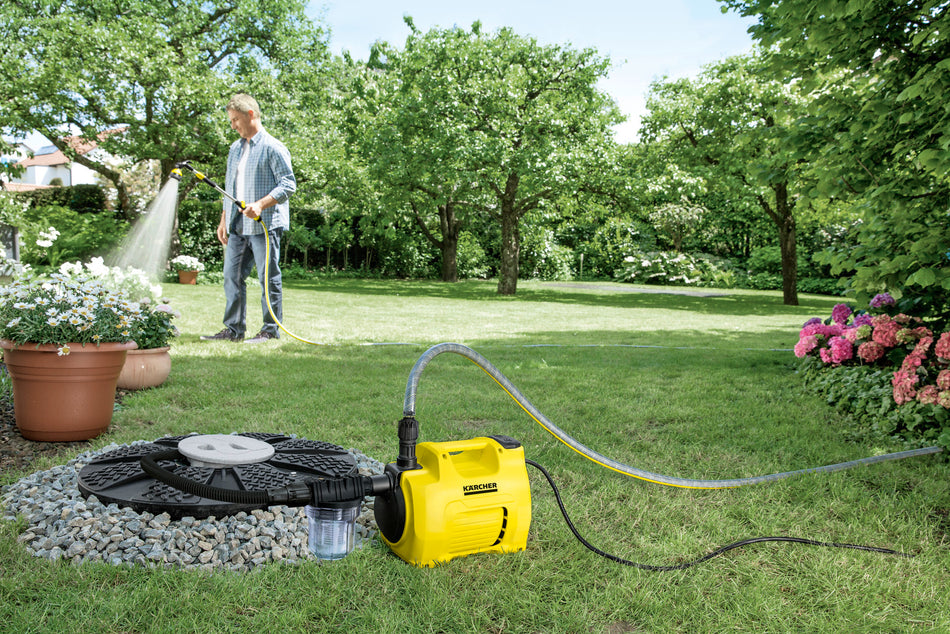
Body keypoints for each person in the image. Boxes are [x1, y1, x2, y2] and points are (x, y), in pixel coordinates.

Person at [201, 94, 296, 344]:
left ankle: (270, 330)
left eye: (235, 120)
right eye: (231, 120)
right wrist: (223, 219)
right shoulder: (235, 148)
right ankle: (233, 330)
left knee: (268, 279)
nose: (232, 125)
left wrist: (261, 204)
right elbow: (229, 188)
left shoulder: (273, 147)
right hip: (237, 225)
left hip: (265, 225)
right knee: (231, 276)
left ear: (250, 114)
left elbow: (288, 185)